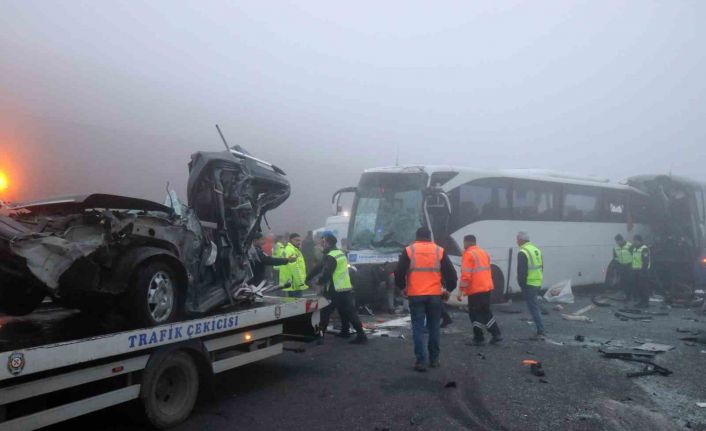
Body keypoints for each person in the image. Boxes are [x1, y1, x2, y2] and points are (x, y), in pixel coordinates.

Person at [394, 227, 457, 372]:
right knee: (434, 327)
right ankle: (434, 360)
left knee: (417, 327)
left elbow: (398, 273)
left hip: (415, 295)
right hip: (435, 295)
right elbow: (452, 275)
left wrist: (402, 287)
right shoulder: (439, 251)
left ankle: (421, 361)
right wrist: (448, 290)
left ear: (417, 237)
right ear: (430, 237)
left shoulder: (410, 250)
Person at [307, 233, 368, 344]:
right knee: (347, 312)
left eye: (322, 240)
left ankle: (320, 337)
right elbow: (319, 267)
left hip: (334, 289)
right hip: (345, 288)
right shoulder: (339, 253)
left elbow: (326, 272)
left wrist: (318, 282)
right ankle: (351, 333)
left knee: (324, 313)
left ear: (326, 241)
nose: (320, 243)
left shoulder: (330, 256)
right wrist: (308, 277)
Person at [456, 235, 502, 345]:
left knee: (474, 313)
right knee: (485, 311)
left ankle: (479, 338)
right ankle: (496, 334)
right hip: (486, 287)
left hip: (476, 289)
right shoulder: (483, 252)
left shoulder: (468, 254)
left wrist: (461, 291)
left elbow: (466, 276)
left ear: (466, 242)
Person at [516, 231, 545, 340]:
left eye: (517, 239)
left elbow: (522, 272)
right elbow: (541, 267)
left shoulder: (523, 252)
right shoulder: (536, 250)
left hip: (529, 284)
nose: (516, 241)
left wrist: (521, 284)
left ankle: (540, 331)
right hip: (537, 282)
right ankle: (540, 329)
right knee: (534, 306)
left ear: (521, 240)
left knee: (534, 308)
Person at [281, 233, 308, 297]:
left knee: (292, 303)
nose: (299, 242)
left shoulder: (294, 250)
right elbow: (294, 268)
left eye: (299, 240)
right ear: (290, 240)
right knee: (297, 304)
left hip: (292, 283)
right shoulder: (291, 250)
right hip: (295, 284)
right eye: (296, 240)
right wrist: (300, 283)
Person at [631, 234, 651, 308]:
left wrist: (643, 271)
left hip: (643, 271)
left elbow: (645, 261)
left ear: (639, 241)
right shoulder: (635, 248)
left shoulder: (644, 249)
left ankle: (646, 302)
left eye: (636, 241)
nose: (634, 242)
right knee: (639, 287)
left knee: (644, 287)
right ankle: (641, 301)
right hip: (636, 271)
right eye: (634, 240)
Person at [612, 234, 634, 300]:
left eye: (618, 241)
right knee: (623, 281)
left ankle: (631, 295)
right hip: (622, 266)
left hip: (630, 266)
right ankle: (626, 295)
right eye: (616, 241)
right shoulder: (616, 248)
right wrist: (617, 268)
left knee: (630, 281)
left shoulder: (630, 246)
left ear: (622, 240)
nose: (617, 243)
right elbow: (615, 258)